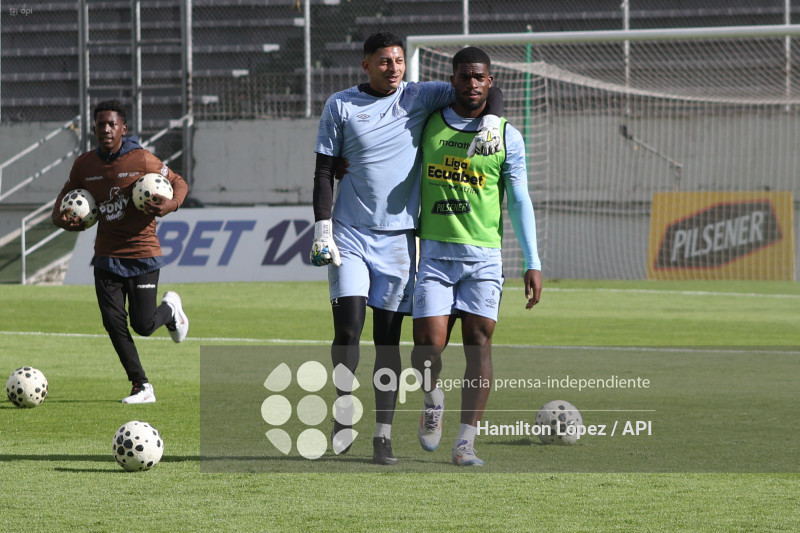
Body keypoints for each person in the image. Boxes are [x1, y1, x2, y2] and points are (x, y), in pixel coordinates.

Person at [310, 32, 504, 465]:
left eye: (398, 60)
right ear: (366, 65)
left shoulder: (419, 96)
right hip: (349, 233)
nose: (393, 67)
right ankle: (343, 410)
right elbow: (324, 170)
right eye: (383, 61)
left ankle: (382, 436)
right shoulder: (340, 104)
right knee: (347, 329)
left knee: (387, 342)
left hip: (400, 239)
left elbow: (483, 85)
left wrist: (492, 120)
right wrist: (323, 228)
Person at [411, 47, 543, 466]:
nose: (471, 84)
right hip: (433, 254)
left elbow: (519, 200)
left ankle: (466, 442)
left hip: (484, 259)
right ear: (453, 79)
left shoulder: (506, 135)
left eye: (479, 77)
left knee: (478, 344)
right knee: (427, 348)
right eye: (464, 77)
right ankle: (433, 401)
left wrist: (532, 260)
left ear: (490, 81)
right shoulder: (428, 123)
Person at [51, 99, 189, 404]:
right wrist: (58, 217)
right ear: (94, 129)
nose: (106, 129)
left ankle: (170, 310)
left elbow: (178, 181)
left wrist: (171, 204)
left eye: (112, 124)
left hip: (142, 254)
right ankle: (141, 385)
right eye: (101, 124)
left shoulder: (141, 159)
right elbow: (66, 193)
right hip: (107, 256)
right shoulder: (85, 165)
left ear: (123, 128)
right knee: (112, 322)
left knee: (143, 325)